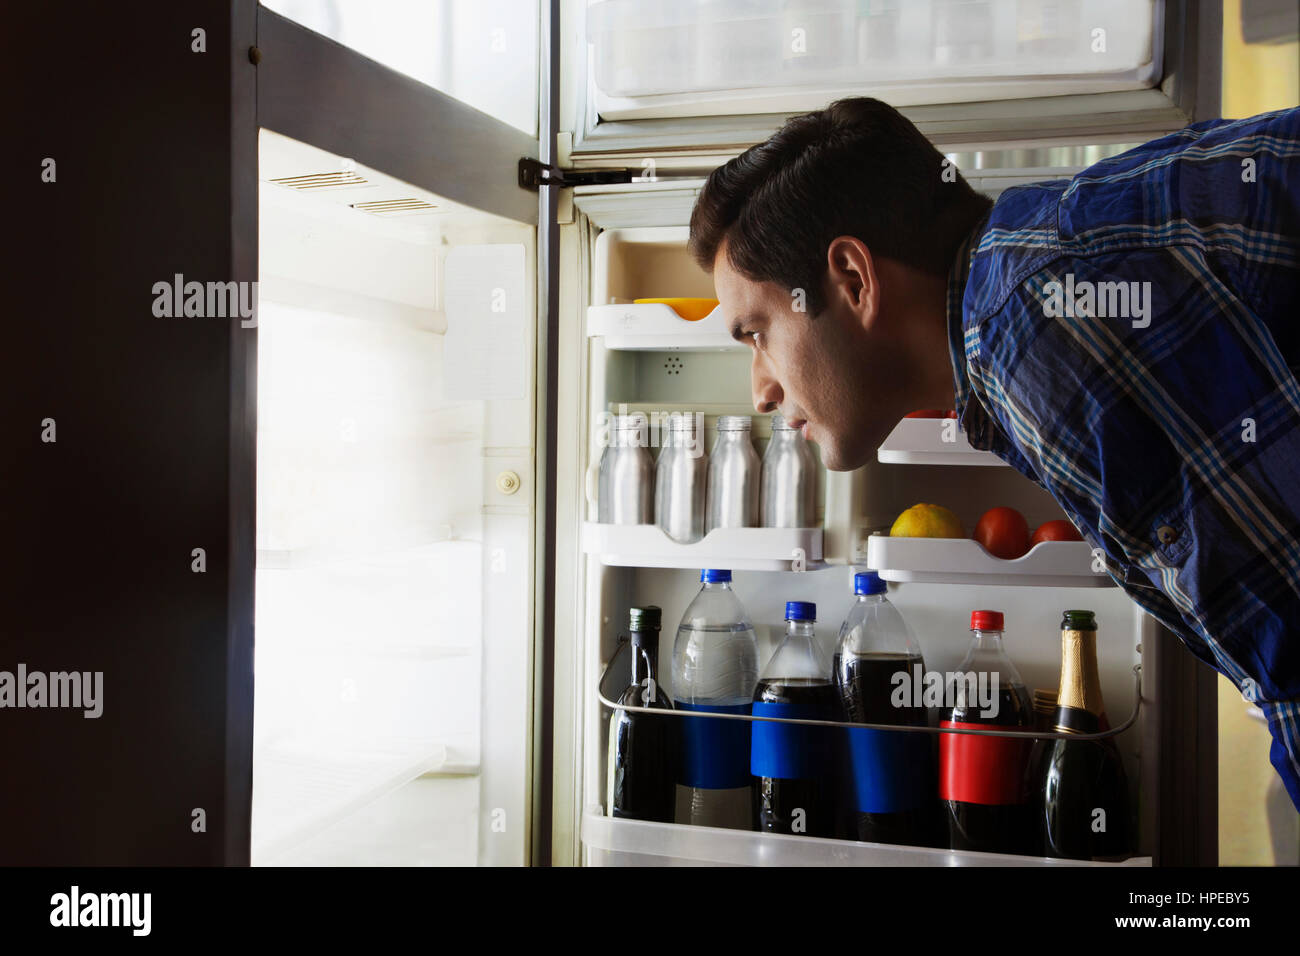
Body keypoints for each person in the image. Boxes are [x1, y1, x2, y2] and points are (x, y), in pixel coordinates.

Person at [688, 97, 1300, 812]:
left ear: (852, 279)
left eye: (756, 331)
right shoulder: (1017, 286)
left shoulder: (1031, 323)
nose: (759, 390)